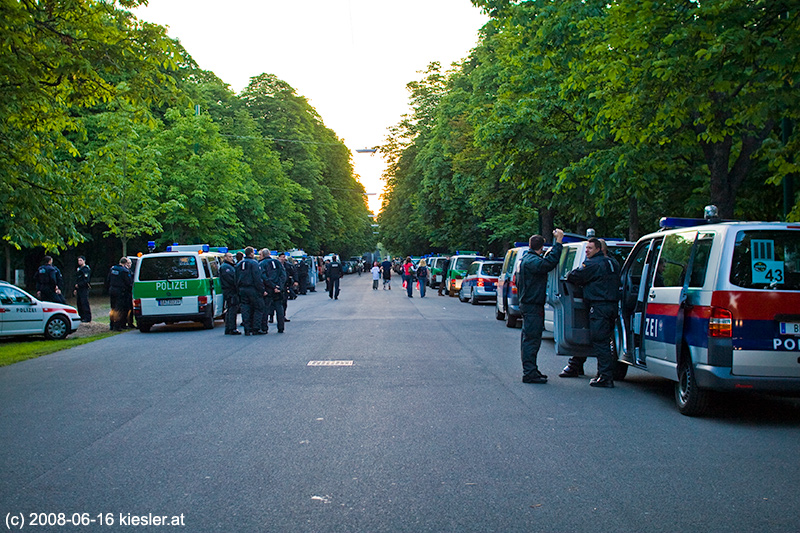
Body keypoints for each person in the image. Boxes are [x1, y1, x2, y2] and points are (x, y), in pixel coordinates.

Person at [561, 237, 621, 388]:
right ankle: (599, 372)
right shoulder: (613, 263)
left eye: (590, 248)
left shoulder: (592, 264)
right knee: (605, 340)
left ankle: (605, 376)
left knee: (599, 340)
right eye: (586, 248)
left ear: (598, 249)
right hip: (612, 306)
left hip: (599, 306)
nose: (587, 251)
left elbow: (573, 276)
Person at [517, 229, 564, 384]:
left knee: (531, 339)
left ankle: (531, 370)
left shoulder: (527, 259)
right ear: (542, 247)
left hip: (529, 304)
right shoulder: (532, 261)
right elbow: (549, 264)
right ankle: (529, 372)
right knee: (531, 340)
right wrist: (558, 243)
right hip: (532, 306)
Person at [236, 247, 266, 336]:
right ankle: (256, 328)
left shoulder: (239, 264)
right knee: (258, 307)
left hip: (242, 289)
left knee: (245, 309)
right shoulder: (254, 263)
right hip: (253, 289)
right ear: (252, 253)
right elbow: (257, 278)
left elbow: (236, 277)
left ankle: (247, 329)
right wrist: (261, 290)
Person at [259, 249, 286, 333]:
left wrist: (272, 286)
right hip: (278, 288)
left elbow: (263, 277)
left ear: (263, 255)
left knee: (266, 308)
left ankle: (264, 328)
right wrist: (279, 286)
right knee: (279, 307)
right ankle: (281, 327)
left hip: (268, 289)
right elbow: (283, 275)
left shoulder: (262, 264)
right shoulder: (277, 262)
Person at [107, 257, 133, 331]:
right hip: (120, 291)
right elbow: (128, 282)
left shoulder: (113, 269)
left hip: (112, 290)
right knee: (119, 309)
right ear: (125, 263)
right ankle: (117, 325)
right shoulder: (124, 271)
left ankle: (111, 324)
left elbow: (108, 279)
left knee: (113, 308)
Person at [219, 252, 240, 335]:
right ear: (225, 258)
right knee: (232, 310)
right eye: (229, 257)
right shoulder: (225, 267)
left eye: (232, 256)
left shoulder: (230, 266)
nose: (231, 258)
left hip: (231, 291)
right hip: (230, 291)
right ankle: (232, 328)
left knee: (231, 309)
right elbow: (231, 279)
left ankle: (229, 328)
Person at [73, 256, 92, 322]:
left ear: (84, 261)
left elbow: (86, 280)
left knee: (84, 302)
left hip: (84, 288)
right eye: (78, 260)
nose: (79, 262)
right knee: (79, 303)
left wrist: (79, 284)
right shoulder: (79, 269)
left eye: (81, 260)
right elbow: (77, 278)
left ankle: (87, 317)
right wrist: (75, 288)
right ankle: (81, 316)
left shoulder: (86, 269)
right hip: (78, 288)